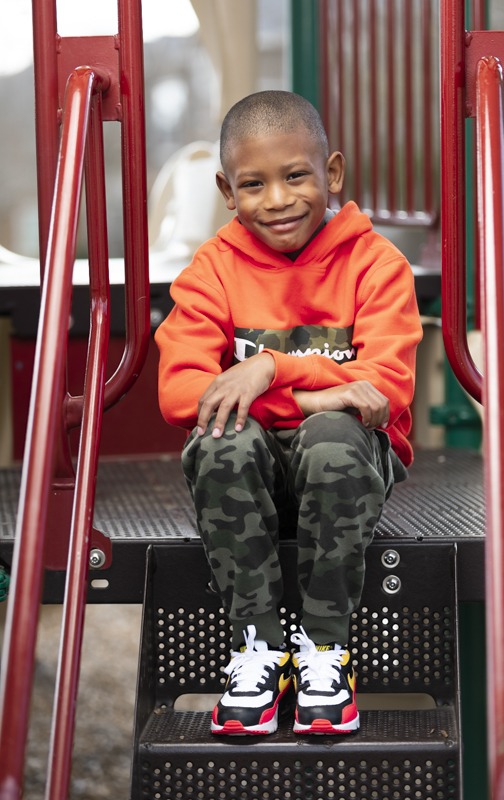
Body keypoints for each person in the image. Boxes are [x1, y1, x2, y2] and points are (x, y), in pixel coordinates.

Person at [155, 90, 422, 737]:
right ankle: (259, 650)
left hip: (344, 467)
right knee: (222, 437)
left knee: (334, 431)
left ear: (330, 173)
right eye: (253, 183)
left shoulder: (375, 266)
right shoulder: (212, 270)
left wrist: (270, 368)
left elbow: (383, 390)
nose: (276, 199)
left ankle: (326, 651)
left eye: (295, 175)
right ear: (226, 189)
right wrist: (316, 390)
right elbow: (180, 393)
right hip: (249, 472)